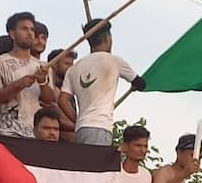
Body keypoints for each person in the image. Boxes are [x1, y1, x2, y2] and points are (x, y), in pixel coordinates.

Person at [58, 18, 146, 146]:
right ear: (107, 38)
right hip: (100, 127)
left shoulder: (74, 68)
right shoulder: (114, 61)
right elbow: (141, 83)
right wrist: (135, 85)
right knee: (94, 164)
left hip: (81, 129)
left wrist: (78, 120)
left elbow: (62, 100)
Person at [0, 12, 54, 137]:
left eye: (32, 29)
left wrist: (42, 82)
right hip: (10, 132)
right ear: (12, 34)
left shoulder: (43, 66)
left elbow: (50, 101)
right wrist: (18, 84)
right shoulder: (0, 62)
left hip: (37, 133)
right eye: (24, 29)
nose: (30, 33)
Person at [47, 48, 77, 142]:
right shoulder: (49, 90)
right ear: (54, 64)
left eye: (72, 65)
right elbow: (56, 119)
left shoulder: (68, 90)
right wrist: (80, 127)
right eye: (67, 64)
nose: (70, 68)